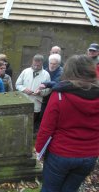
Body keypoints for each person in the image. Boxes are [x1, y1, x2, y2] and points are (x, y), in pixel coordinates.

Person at [35, 55, 99, 192]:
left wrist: (39, 152)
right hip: (89, 155)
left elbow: (46, 129)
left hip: (60, 154)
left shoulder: (59, 95)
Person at [15, 54, 51, 132]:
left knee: (31, 123)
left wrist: (40, 92)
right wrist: (24, 89)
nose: (36, 66)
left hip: (36, 103)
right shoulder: (25, 71)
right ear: (32, 61)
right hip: (23, 101)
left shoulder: (46, 74)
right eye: (34, 64)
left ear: (42, 63)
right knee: (21, 121)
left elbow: (49, 90)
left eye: (38, 65)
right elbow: (17, 84)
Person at [39, 54, 63, 120]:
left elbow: (57, 83)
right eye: (50, 63)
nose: (52, 65)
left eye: (54, 64)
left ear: (58, 64)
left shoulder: (61, 72)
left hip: (54, 96)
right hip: (44, 96)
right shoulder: (46, 70)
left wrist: (45, 84)